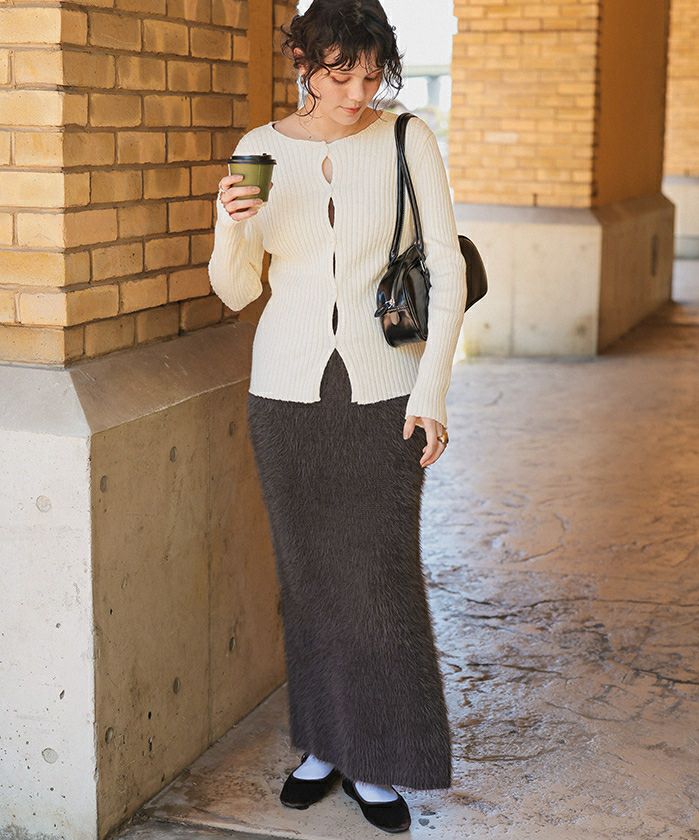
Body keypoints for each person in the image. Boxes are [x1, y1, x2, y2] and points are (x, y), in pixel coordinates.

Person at [207, 0, 466, 832]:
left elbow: (448, 270)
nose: (358, 93)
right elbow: (235, 290)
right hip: (283, 394)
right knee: (308, 577)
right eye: (340, 73)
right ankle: (323, 744)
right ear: (303, 63)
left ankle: (377, 759)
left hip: (385, 391)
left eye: (371, 74)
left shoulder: (406, 139)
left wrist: (431, 391)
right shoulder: (259, 149)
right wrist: (230, 228)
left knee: (379, 579)